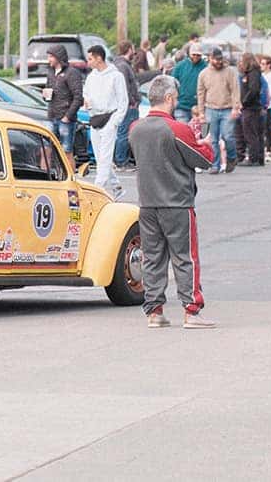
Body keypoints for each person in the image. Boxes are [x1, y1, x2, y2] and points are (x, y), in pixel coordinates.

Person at [130, 75, 217, 329]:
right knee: (185, 257)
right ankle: (191, 310)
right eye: (175, 98)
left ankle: (154, 310)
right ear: (168, 98)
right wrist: (206, 144)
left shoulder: (136, 129)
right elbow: (204, 159)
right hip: (177, 203)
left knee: (153, 257)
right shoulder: (177, 129)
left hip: (147, 202)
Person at [82, 44, 128, 200]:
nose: (88, 62)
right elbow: (86, 94)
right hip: (95, 118)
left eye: (90, 58)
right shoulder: (91, 77)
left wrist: (115, 122)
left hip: (110, 117)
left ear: (99, 58)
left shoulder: (116, 76)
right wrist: (88, 104)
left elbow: (123, 101)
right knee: (100, 156)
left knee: (105, 157)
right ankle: (116, 187)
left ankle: (96, 191)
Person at [197, 47, 240, 174]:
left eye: (220, 59)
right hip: (210, 108)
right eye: (216, 59)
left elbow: (235, 90)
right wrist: (201, 112)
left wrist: (235, 107)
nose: (218, 62)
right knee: (213, 139)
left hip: (227, 108)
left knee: (228, 136)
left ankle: (232, 157)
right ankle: (215, 165)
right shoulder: (204, 74)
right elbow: (200, 93)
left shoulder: (229, 72)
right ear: (210, 59)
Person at [44, 44, 84, 160]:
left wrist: (67, 116)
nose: (48, 60)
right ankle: (45, 176)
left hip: (65, 118)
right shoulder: (50, 72)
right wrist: (46, 94)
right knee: (46, 148)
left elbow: (78, 97)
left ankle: (70, 177)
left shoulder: (72, 73)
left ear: (58, 57)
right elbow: (48, 90)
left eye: (51, 56)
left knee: (66, 151)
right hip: (51, 116)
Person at [111, 41, 142, 168]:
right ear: (129, 49)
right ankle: (121, 160)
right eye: (133, 48)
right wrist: (131, 101)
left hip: (128, 104)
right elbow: (124, 87)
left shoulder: (122, 65)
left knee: (125, 133)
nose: (134, 51)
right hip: (128, 106)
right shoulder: (123, 66)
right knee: (124, 133)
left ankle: (123, 159)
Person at [236, 53, 265, 167]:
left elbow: (253, 90)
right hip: (252, 107)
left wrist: (244, 102)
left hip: (251, 107)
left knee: (250, 133)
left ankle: (254, 158)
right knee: (254, 133)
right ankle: (258, 157)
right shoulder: (252, 73)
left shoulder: (253, 73)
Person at [171, 43, 207, 122]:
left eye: (198, 55)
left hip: (199, 108)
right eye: (194, 54)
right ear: (189, 54)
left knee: (199, 133)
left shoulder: (206, 67)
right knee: (183, 132)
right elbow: (172, 84)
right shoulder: (180, 66)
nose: (196, 57)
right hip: (181, 106)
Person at [259, 55, 271, 160]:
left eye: (263, 64)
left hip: (266, 105)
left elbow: (270, 92)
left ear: (269, 65)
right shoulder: (260, 75)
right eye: (261, 63)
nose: (261, 66)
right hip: (258, 105)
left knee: (267, 128)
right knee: (259, 129)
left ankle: (268, 150)